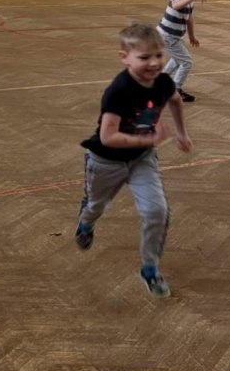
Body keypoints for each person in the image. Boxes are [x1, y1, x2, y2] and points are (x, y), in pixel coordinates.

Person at [74, 23, 193, 297]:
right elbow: (108, 137)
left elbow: (175, 100)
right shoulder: (119, 90)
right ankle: (86, 223)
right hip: (105, 161)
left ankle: (149, 268)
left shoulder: (163, 82)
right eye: (144, 57)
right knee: (96, 205)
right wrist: (149, 140)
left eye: (159, 55)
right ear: (124, 57)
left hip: (142, 160)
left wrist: (182, 134)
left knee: (156, 211)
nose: (154, 63)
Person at [158, 0, 205, 103]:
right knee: (186, 62)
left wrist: (192, 37)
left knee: (177, 59)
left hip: (173, 37)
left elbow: (189, 19)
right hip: (167, 36)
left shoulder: (189, 1)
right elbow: (176, 6)